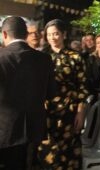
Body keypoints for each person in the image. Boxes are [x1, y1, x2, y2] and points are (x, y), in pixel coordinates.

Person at [0, 16, 55, 170]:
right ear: (26, 34)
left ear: (4, 34)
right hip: (33, 129)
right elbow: (51, 93)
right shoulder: (44, 59)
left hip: (4, 130)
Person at [36, 19, 89, 169]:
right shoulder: (40, 57)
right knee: (46, 153)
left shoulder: (76, 57)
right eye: (49, 34)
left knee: (69, 152)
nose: (52, 37)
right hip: (45, 111)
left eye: (56, 34)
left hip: (69, 111)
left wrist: (81, 111)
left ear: (64, 34)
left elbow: (83, 87)